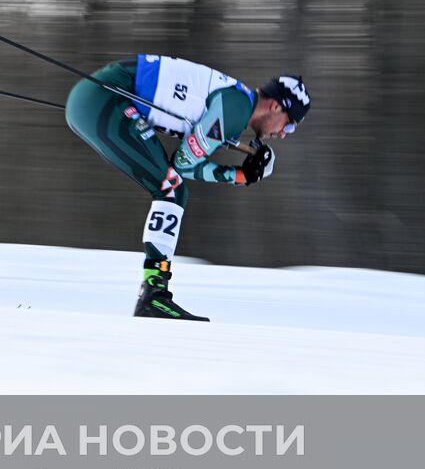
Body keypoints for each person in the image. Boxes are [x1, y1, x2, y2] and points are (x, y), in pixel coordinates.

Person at [64, 56, 311, 322]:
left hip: (96, 98)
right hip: (103, 99)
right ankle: (153, 295)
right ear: (275, 106)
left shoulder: (236, 106)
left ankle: (154, 293)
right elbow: (183, 165)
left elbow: (186, 161)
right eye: (290, 123)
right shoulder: (235, 108)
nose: (285, 133)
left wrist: (240, 174)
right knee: (171, 189)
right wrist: (239, 176)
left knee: (172, 188)